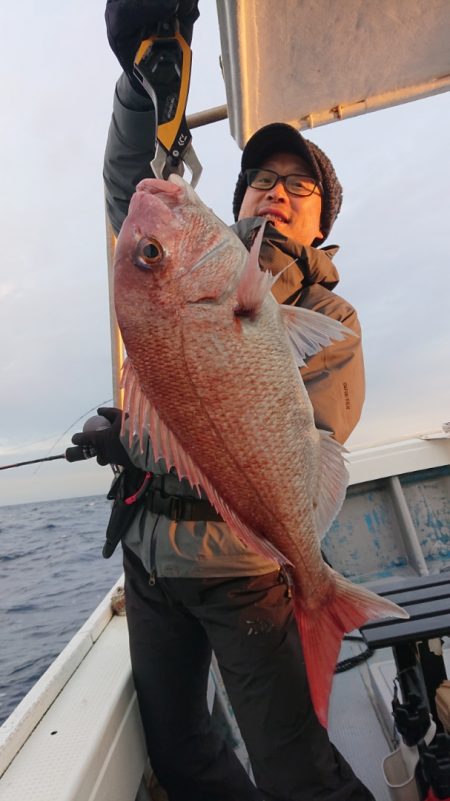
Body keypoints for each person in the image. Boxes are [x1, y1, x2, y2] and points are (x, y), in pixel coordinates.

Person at [74, 2, 373, 799]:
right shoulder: (183, 256)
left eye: (299, 187)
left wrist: (153, 430)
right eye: (263, 180)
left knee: (296, 773)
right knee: (181, 755)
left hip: (246, 568)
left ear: (321, 220)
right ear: (234, 200)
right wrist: (142, 84)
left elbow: (304, 432)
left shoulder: (330, 316)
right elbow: (128, 177)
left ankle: (319, 604)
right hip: (149, 555)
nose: (277, 192)